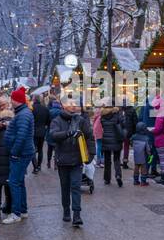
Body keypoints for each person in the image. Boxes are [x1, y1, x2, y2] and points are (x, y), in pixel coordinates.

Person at [49, 96, 95, 227]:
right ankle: (66, 210)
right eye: (70, 104)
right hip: (62, 160)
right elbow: (53, 135)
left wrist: (91, 154)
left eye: (75, 103)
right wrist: (69, 133)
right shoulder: (56, 121)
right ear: (63, 105)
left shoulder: (80, 120)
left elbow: (89, 137)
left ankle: (77, 214)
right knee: (65, 187)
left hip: (77, 160)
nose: (74, 106)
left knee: (75, 186)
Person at [1, 86, 34, 224]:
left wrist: (14, 152)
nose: (11, 101)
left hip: (21, 153)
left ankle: (16, 213)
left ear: (16, 100)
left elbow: (21, 135)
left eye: (12, 99)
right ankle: (23, 210)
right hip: (23, 152)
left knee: (14, 182)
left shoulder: (23, 114)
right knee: (19, 182)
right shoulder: (23, 113)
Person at [98, 99, 125, 186]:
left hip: (106, 139)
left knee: (107, 160)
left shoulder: (103, 115)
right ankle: (118, 175)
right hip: (116, 139)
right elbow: (123, 124)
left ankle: (107, 179)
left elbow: (102, 126)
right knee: (117, 159)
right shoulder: (117, 114)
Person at [31, 91, 51, 173]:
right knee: (40, 149)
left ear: (34, 99)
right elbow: (48, 121)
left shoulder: (32, 108)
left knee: (32, 150)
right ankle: (39, 166)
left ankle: (35, 167)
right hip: (42, 132)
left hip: (33, 132)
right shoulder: (45, 109)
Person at [130, 118, 152, 186]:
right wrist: (149, 155)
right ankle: (143, 181)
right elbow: (148, 148)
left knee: (136, 167)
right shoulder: (146, 138)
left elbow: (131, 142)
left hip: (136, 155)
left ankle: (135, 180)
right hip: (143, 156)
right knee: (143, 169)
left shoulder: (134, 137)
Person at [120, 100, 138, 168]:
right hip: (129, 131)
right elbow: (135, 122)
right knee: (126, 147)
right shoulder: (132, 110)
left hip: (120, 131)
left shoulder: (120, 110)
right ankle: (125, 161)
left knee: (120, 146)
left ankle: (119, 161)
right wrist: (134, 131)